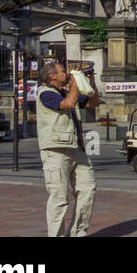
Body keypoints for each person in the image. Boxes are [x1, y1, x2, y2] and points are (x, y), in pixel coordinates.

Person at [36, 60, 99, 237]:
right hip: (56, 149)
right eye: (63, 71)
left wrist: (89, 81)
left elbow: (93, 103)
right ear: (52, 76)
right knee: (60, 197)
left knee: (88, 190)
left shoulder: (65, 91)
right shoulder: (45, 93)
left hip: (76, 147)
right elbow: (68, 104)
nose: (67, 73)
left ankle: (77, 233)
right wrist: (77, 82)